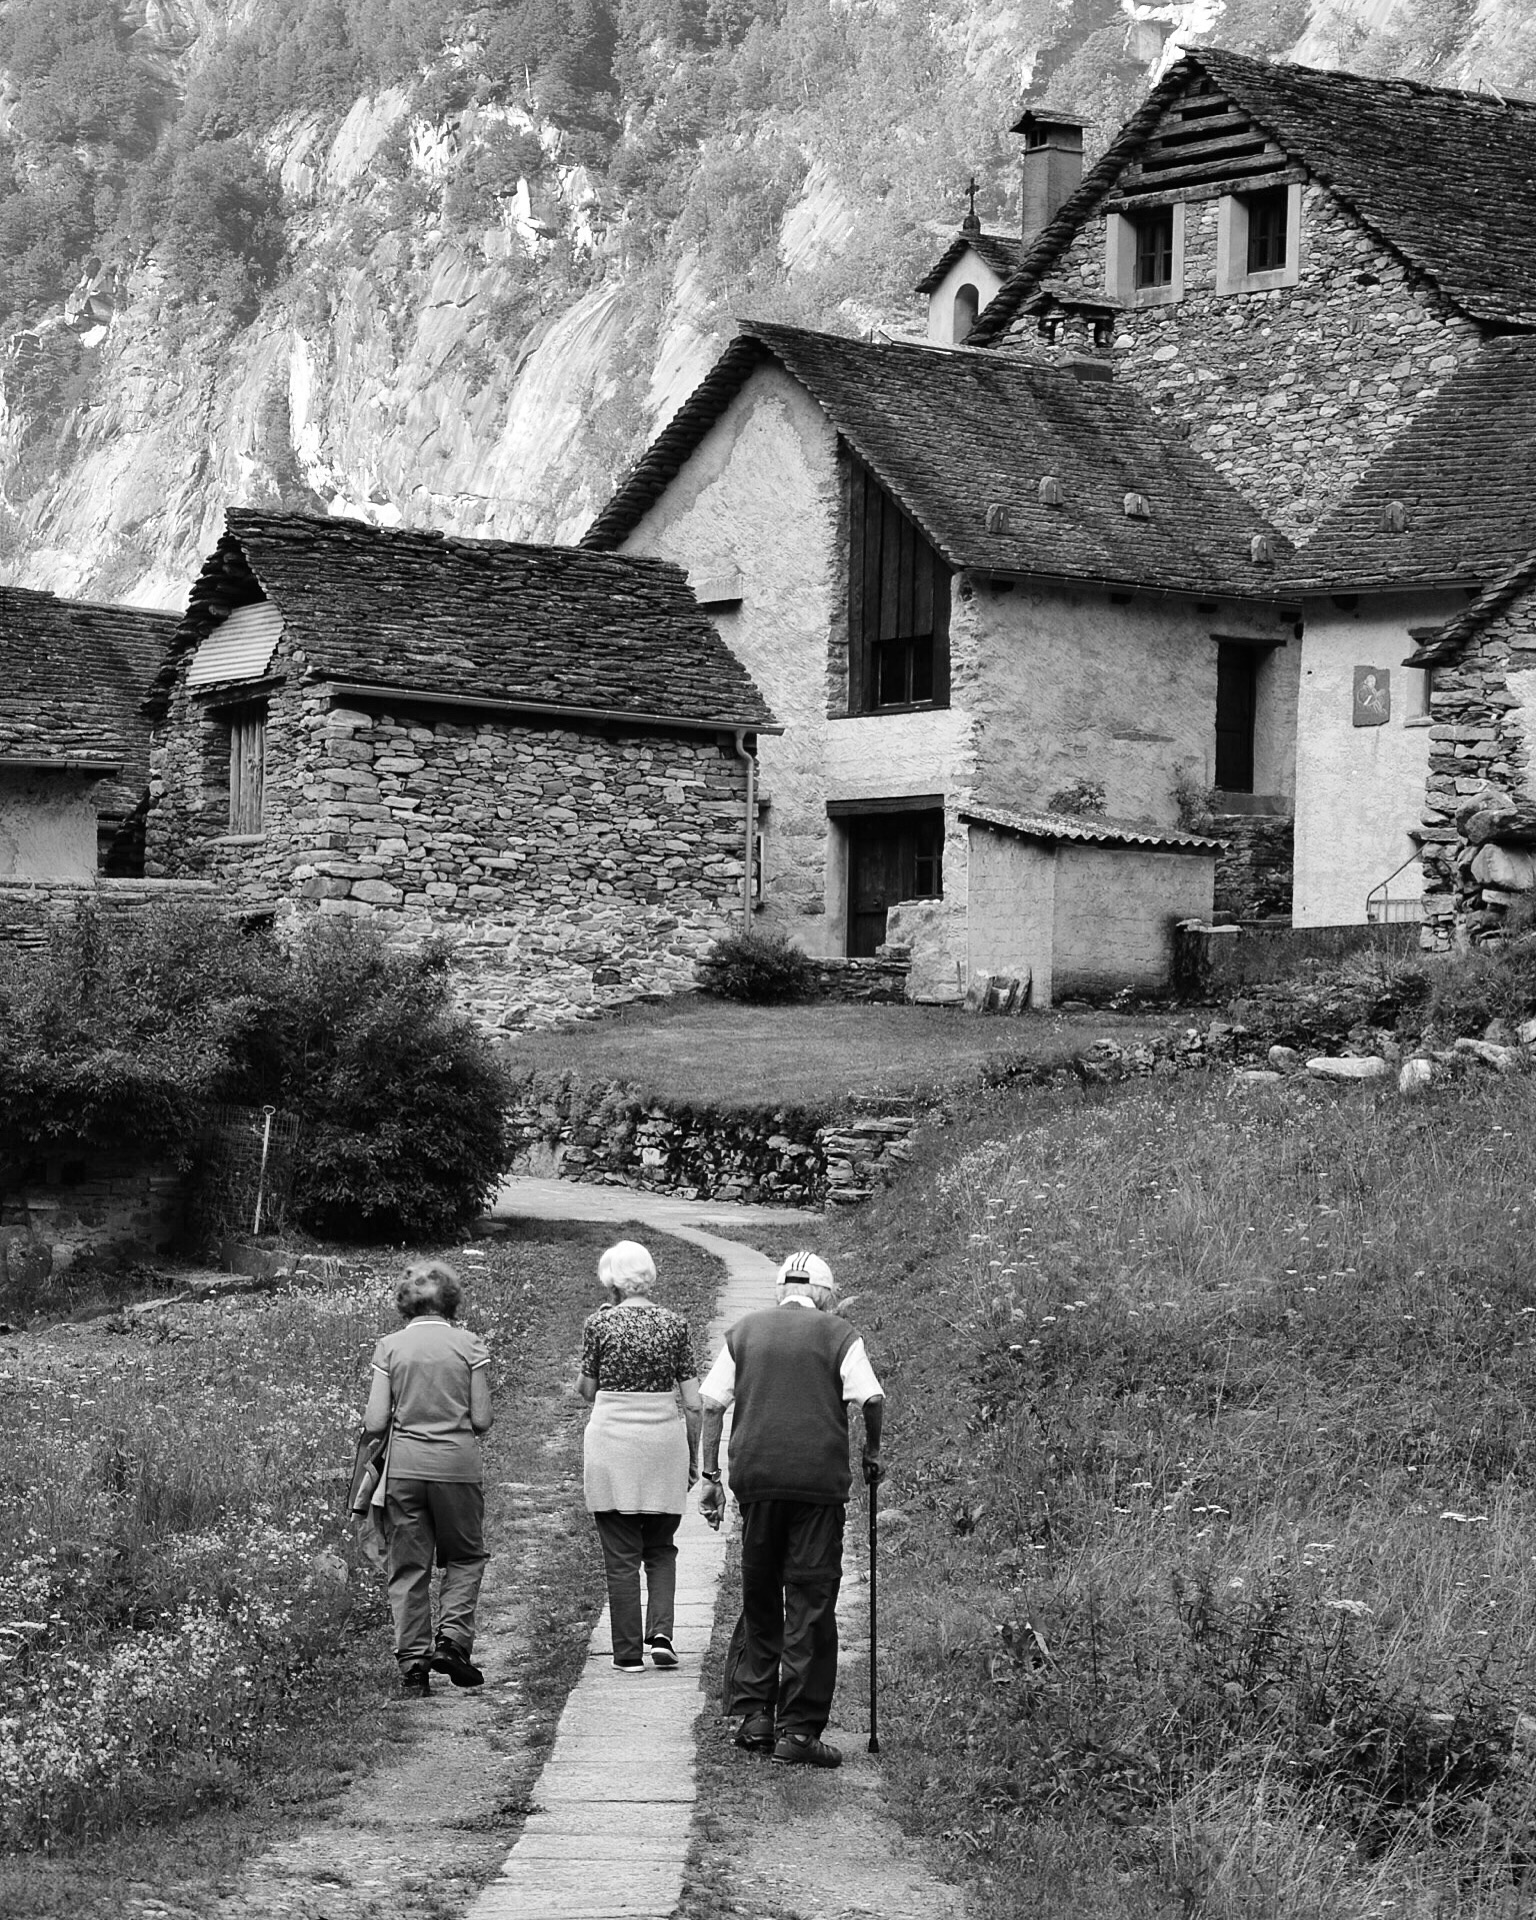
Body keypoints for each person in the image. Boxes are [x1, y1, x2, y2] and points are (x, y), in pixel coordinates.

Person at [699, 1249, 884, 1769]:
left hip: (756, 1481)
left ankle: (755, 1716)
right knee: (809, 1599)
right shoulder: (839, 1333)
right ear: (824, 1294)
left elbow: (712, 1404)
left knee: (760, 1594)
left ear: (781, 1290)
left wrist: (710, 1477)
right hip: (817, 1487)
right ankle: (798, 1732)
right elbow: (870, 1399)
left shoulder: (745, 1332)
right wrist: (872, 1452)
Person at [365, 1259, 492, 1699]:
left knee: (409, 1565)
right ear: (452, 1301)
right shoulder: (469, 1345)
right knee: (465, 1555)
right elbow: (482, 1419)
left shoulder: (389, 1347)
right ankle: (452, 1642)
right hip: (457, 1468)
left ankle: (414, 1665)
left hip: (404, 1470)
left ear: (405, 1302)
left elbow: (376, 1420)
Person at [578, 1240, 703, 1673]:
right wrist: (692, 1456)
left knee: (621, 1557)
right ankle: (663, 1634)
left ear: (612, 1279)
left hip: (612, 1444)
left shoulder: (601, 1325)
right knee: (661, 1548)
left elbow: (586, 1389)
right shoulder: (675, 1325)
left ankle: (628, 1654)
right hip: (663, 1444)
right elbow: (693, 1401)